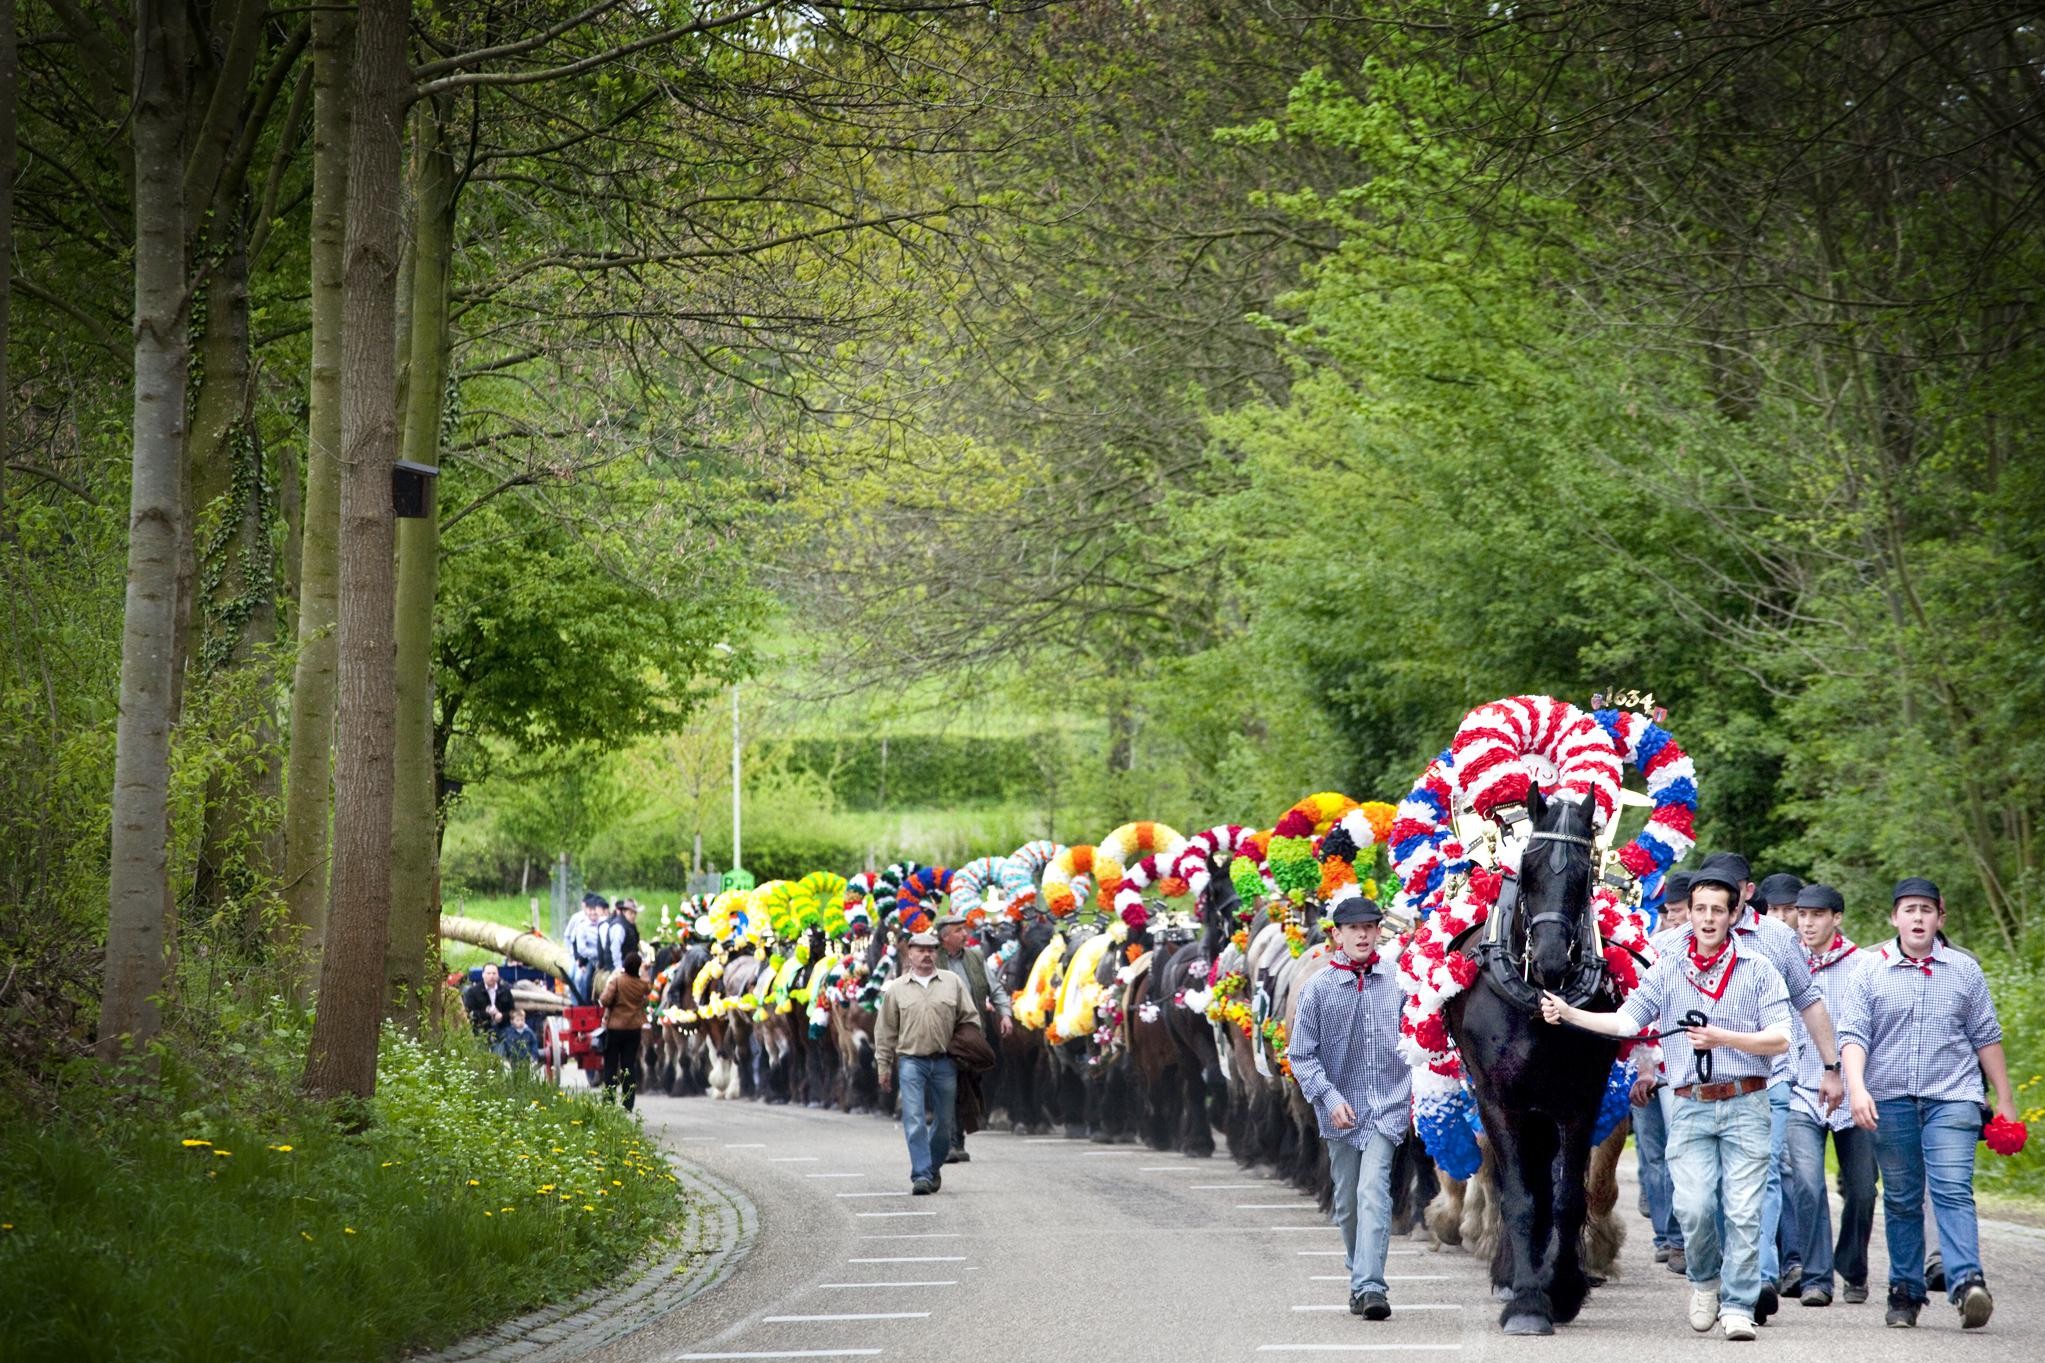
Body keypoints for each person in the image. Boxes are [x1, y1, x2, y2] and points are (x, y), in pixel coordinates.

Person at [1542, 867, 1792, 1341]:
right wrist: (1569, 1013)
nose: (1708, 919)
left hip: (1747, 1101)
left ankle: (1738, 1305)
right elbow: (1624, 1023)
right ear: (1690, 915)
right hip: (1691, 1105)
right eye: (1700, 910)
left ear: (1735, 914)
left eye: (1719, 910)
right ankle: (1704, 1282)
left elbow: (1781, 1036)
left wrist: (1724, 1037)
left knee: (1743, 1211)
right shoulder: (1668, 968)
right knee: (1694, 1208)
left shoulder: (1759, 969)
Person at [1839, 877, 2015, 1331]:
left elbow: (1986, 1037)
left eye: (1926, 910)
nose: (1918, 918)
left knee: (1952, 1187)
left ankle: (1967, 1282)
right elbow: (1853, 1036)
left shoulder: (1963, 969)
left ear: (1940, 918)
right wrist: (1857, 1088)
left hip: (1953, 1097)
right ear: (1894, 918)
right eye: (1909, 910)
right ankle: (1905, 1292)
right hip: (1891, 1100)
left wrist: (2006, 1100)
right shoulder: (1868, 970)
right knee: (1901, 1198)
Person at [1681, 851, 1842, 1321]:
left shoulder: (1776, 937)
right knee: (1705, 1194)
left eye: (1729, 894)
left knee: (1762, 1176)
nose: (1716, 909)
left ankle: (1757, 1280)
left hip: (1767, 1078)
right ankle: (1715, 1276)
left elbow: (1809, 1002)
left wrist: (1830, 1065)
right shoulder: (1681, 942)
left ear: (1745, 895)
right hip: (1701, 1084)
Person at [1287, 892, 1411, 1321]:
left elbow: (1417, 1041)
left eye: (1370, 927)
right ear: (1337, 935)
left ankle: (1371, 1287)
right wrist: (1329, 1097)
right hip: (1340, 1109)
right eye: (1354, 928)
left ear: (1379, 931)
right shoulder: (1317, 988)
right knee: (1347, 1202)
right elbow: (1301, 1055)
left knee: (1372, 1191)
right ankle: (1359, 1275)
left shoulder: (1399, 980)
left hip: (1387, 1106)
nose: (1363, 934)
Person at [1784, 883, 1873, 1307]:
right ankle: (1817, 1278)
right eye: (1802, 914)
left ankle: (1852, 1265)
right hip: (1801, 1088)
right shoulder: (1784, 961)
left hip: (1856, 1091)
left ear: (1836, 918)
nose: (1807, 922)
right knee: (1806, 1183)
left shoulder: (1866, 966)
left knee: (1862, 1189)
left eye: (1817, 915)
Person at [874, 929, 980, 1195]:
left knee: (944, 1123)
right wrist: (884, 1067)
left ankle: (932, 1167)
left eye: (931, 950)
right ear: (909, 954)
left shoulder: (952, 982)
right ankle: (921, 1174)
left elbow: (970, 1018)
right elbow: (885, 1031)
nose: (926, 955)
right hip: (911, 1062)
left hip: (945, 1062)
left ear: (938, 953)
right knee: (914, 1119)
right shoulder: (897, 989)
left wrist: (967, 1046)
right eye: (920, 950)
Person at [1634, 870, 1693, 1274]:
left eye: (1678, 911)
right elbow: (1637, 1013)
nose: (1673, 918)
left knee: (1678, 1151)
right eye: (1668, 912)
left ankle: (1680, 1239)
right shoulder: (1651, 950)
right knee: (1652, 1153)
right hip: (1646, 1066)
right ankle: (1663, 1233)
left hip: (1681, 1068)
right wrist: (1641, 1065)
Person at [1755, 869, 1808, 1291]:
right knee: (1772, 1169)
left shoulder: (1784, 946)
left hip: (1798, 1071)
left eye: (1790, 909)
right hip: (1770, 1070)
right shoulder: (1762, 946)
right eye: (1775, 909)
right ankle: (1768, 1266)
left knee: (1786, 1171)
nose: (1784, 917)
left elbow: (1811, 1008)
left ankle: (1790, 1262)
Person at [934, 912, 1015, 1165]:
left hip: (972, 1033)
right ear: (945, 937)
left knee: (966, 1086)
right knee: (947, 1086)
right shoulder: (932, 959)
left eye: (964, 929)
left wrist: (1005, 1014)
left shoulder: (976, 958)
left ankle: (958, 1141)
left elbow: (995, 988)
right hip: (942, 1033)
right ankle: (946, 1143)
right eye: (958, 930)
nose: (964, 934)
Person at [598, 951, 652, 1111]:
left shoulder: (617, 981)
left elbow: (604, 1000)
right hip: (634, 1029)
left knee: (611, 1066)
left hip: (615, 1029)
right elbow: (647, 991)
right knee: (629, 1065)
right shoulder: (642, 985)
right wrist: (644, 971)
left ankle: (609, 1101)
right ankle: (628, 1102)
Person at [564, 894, 608, 1006]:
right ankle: (583, 1004)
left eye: (595, 911)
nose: (593, 914)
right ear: (586, 911)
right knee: (582, 979)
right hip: (590, 959)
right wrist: (596, 954)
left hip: (605, 958)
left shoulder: (604, 923)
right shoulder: (582, 927)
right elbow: (581, 949)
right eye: (590, 910)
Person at [463, 963, 513, 1038]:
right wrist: (488, 1015)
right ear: (483, 975)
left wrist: (502, 1016)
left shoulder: (505, 990)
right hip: (481, 1029)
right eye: (488, 973)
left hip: (503, 1028)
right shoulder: (473, 992)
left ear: (498, 975)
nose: (491, 976)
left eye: (494, 973)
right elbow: (469, 1013)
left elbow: (511, 1010)